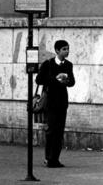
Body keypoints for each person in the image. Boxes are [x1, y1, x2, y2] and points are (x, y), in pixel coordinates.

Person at [36, 40, 75, 168]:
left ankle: (55, 158)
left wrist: (66, 80)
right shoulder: (48, 64)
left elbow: (72, 82)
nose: (67, 51)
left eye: (67, 49)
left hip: (62, 101)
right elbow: (39, 79)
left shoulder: (68, 65)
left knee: (59, 131)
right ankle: (48, 158)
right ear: (57, 51)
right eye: (64, 49)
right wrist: (55, 79)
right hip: (50, 101)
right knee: (51, 130)